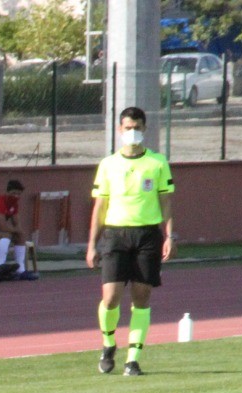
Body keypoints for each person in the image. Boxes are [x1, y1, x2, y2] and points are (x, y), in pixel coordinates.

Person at [87, 106, 174, 376]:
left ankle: (132, 359)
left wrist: (169, 235)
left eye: (137, 128)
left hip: (147, 235)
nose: (132, 133)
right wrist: (92, 244)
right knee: (111, 297)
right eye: (128, 128)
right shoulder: (108, 164)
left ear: (144, 129)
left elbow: (166, 201)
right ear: (119, 130)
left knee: (142, 297)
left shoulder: (157, 163)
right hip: (115, 235)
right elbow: (99, 207)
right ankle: (108, 343)